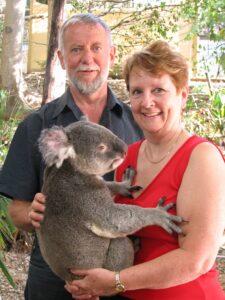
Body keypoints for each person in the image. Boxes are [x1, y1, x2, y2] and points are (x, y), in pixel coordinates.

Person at [61, 40, 225, 299]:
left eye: (158, 90)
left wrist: (114, 281)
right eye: (137, 92)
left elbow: (197, 260)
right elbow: (111, 229)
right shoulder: (128, 156)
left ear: (182, 95)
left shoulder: (202, 157)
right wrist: (89, 280)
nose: (146, 102)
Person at [0, 13, 143, 300]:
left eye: (96, 48)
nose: (87, 58)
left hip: (123, 276)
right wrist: (31, 213)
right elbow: (16, 210)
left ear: (112, 54)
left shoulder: (138, 123)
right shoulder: (37, 126)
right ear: (61, 58)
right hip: (56, 278)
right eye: (76, 49)